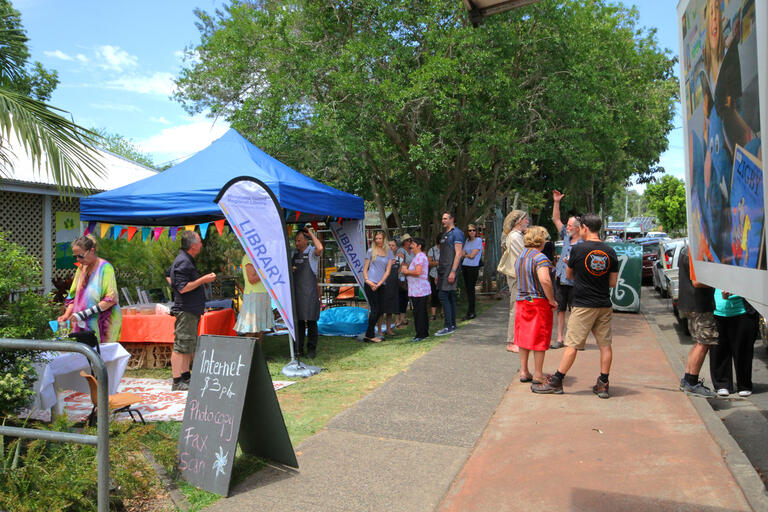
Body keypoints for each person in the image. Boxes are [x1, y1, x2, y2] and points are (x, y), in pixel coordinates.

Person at [532, 214, 618, 398]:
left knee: (572, 344)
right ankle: (603, 383)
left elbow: (569, 276)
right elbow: (612, 282)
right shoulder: (610, 251)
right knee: (605, 345)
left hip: (583, 304)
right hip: (604, 303)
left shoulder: (578, 251)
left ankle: (556, 381)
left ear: (585, 228)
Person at [169, 230, 216, 391]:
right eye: (199, 241)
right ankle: (177, 380)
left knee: (188, 343)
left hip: (190, 309)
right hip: (186, 309)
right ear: (193, 245)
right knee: (181, 344)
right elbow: (182, 288)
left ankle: (185, 376)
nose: (202, 244)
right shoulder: (183, 261)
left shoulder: (185, 260)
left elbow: (170, 276)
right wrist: (203, 280)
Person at [58, 234, 122, 343]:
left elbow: (110, 299)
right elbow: (73, 297)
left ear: (91, 250)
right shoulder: (81, 268)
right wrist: (67, 314)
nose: (78, 259)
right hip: (82, 323)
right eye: (75, 257)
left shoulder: (105, 268)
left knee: (101, 357)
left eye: (81, 256)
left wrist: (83, 314)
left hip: (103, 324)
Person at [513, 226, 557, 386]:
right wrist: (551, 300)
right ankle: (538, 374)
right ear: (540, 240)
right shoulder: (540, 258)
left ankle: (524, 371)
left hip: (522, 301)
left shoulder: (521, 256)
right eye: (545, 238)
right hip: (537, 302)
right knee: (540, 337)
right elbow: (545, 280)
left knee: (523, 337)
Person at [676, 245, 718, 397]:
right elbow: (697, 281)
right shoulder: (698, 250)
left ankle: (688, 379)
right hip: (699, 305)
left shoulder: (686, 248)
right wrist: (720, 281)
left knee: (699, 342)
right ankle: (692, 382)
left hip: (690, 303)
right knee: (704, 342)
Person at [710, 289, 757, 397]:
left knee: (743, 350)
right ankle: (722, 384)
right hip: (717, 311)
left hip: (743, 311)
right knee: (719, 350)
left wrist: (735, 290)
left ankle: (744, 385)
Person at [550, 190, 582, 349]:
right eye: (567, 225)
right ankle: (560, 338)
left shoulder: (583, 243)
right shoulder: (566, 236)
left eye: (569, 225)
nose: (567, 227)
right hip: (561, 279)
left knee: (576, 311)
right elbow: (555, 219)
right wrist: (556, 202)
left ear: (577, 228)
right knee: (560, 309)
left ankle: (574, 339)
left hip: (575, 282)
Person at [291, 227, 323, 359]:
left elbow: (320, 248)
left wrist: (311, 233)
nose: (297, 243)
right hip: (296, 294)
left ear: (306, 241)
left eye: (299, 240)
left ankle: (311, 349)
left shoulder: (311, 253)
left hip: (309, 293)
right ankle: (298, 349)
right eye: (295, 241)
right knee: (297, 322)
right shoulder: (293, 254)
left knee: (310, 322)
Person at [501, 210, 528, 352]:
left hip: (519, 277)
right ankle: (512, 341)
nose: (527, 222)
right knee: (515, 308)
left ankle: (517, 339)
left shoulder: (517, 236)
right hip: (517, 277)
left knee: (519, 308)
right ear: (519, 221)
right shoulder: (515, 237)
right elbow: (522, 257)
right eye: (525, 219)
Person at [234, 253, 274, 344]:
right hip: (254, 296)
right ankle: (248, 354)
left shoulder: (259, 257)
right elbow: (252, 279)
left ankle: (257, 354)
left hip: (262, 294)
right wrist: (265, 272)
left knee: (260, 329)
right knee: (251, 329)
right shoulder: (249, 257)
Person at [436, 211, 464, 336]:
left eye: (445, 218)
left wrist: (453, 271)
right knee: (449, 296)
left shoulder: (456, 233)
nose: (443, 221)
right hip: (442, 269)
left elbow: (458, 253)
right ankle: (452, 324)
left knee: (443, 295)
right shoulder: (444, 234)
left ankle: (448, 326)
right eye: (442, 219)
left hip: (449, 269)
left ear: (452, 219)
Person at [363, 231, 394, 343]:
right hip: (370, 284)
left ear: (384, 239)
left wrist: (380, 283)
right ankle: (369, 335)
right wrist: (368, 281)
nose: (378, 240)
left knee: (380, 310)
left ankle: (370, 333)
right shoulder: (371, 251)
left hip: (381, 285)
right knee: (375, 309)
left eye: (380, 238)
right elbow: (365, 269)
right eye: (376, 238)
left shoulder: (389, 252)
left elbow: (388, 271)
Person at [400, 237, 430, 342]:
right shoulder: (418, 257)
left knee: (419, 313)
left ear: (419, 246)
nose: (411, 245)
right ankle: (423, 333)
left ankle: (421, 335)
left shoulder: (420, 257)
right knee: (420, 312)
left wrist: (406, 271)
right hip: (417, 290)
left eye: (413, 243)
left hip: (419, 290)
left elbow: (418, 272)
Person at [461, 224, 483, 320]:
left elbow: (472, 255)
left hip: (473, 267)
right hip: (465, 266)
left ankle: (472, 312)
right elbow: (462, 253)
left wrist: (466, 255)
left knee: (471, 289)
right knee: (468, 289)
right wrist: (466, 255)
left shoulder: (478, 241)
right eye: (470, 230)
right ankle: (469, 311)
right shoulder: (467, 241)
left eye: (473, 230)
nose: (472, 232)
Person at [379, 238, 400, 336]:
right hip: (384, 286)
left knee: (390, 310)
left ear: (396, 247)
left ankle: (388, 329)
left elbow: (400, 272)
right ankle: (379, 330)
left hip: (394, 287)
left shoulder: (399, 259)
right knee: (381, 310)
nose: (391, 247)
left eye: (393, 245)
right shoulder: (383, 257)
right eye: (389, 245)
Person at [395, 234, 413, 327]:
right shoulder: (401, 250)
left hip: (410, 277)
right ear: (404, 242)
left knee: (405, 298)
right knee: (399, 297)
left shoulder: (412, 251)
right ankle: (397, 319)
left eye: (411, 240)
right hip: (401, 277)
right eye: (409, 240)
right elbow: (399, 263)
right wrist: (412, 267)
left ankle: (403, 318)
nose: (410, 242)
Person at [427, 234, 442, 321]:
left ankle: (443, 312)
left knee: (443, 293)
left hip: (443, 274)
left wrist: (437, 262)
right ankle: (433, 314)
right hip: (434, 274)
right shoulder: (432, 250)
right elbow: (429, 263)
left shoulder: (446, 250)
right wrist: (437, 263)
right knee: (434, 294)